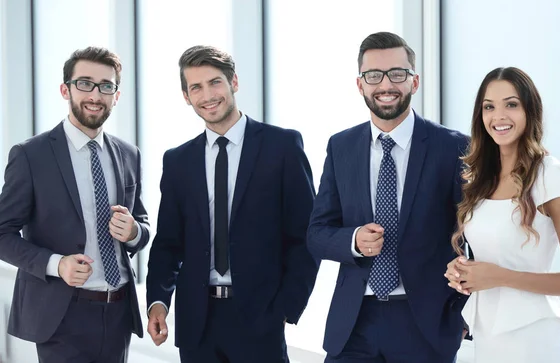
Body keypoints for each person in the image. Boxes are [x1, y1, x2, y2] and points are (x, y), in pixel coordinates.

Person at [145, 45, 319, 363]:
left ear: (233, 82)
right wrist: (158, 301)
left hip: (260, 319)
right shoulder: (177, 161)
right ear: (186, 96)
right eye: (196, 87)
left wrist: (286, 309)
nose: (208, 95)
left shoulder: (282, 147)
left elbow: (305, 235)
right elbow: (168, 244)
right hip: (198, 322)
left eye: (215, 82)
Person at [307, 31, 469, 363]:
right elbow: (316, 234)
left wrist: (466, 310)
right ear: (360, 84)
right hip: (354, 322)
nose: (385, 84)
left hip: (425, 323)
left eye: (397, 74)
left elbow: (473, 236)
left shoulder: (453, 147)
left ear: (414, 81)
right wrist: (352, 240)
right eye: (373, 75)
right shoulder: (341, 147)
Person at [0, 46, 150, 363]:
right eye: (85, 83)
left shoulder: (128, 153)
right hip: (61, 315)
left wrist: (134, 231)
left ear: (116, 95)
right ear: (65, 89)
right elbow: (2, 234)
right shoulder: (31, 155)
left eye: (106, 86)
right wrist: (57, 264)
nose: (95, 94)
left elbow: (142, 224)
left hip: (118, 311)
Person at [445, 66, 560, 363]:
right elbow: (495, 253)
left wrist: (499, 276)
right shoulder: (479, 179)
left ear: (530, 111)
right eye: (489, 107)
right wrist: (464, 270)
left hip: (536, 341)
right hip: (488, 340)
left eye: (511, 105)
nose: (499, 116)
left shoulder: (553, 176)